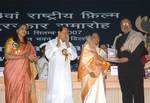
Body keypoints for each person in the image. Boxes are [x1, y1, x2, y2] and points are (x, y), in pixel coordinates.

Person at [112, 18, 145, 103]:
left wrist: (128, 59)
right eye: (123, 24)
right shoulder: (118, 39)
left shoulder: (138, 36)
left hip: (135, 70)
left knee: (138, 96)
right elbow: (115, 54)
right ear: (120, 27)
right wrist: (111, 57)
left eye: (127, 24)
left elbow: (139, 51)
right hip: (123, 72)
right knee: (126, 96)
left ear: (131, 25)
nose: (125, 26)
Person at [4, 23, 38, 103]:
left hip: (25, 73)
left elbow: (33, 58)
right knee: (13, 95)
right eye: (22, 28)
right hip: (12, 73)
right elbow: (7, 56)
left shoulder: (28, 44)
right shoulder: (11, 41)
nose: (24, 30)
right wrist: (25, 56)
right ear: (17, 30)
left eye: (25, 29)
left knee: (26, 94)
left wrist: (34, 59)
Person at [45, 25, 77, 103]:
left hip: (66, 76)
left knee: (66, 95)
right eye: (64, 33)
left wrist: (68, 46)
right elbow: (48, 55)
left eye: (67, 33)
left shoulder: (69, 44)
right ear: (58, 33)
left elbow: (74, 57)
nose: (66, 35)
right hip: (55, 77)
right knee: (55, 97)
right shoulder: (51, 43)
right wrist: (56, 47)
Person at [78, 32, 109, 103]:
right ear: (90, 38)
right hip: (89, 75)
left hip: (99, 75)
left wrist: (105, 64)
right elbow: (83, 61)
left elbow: (104, 62)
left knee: (99, 95)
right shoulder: (87, 47)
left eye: (98, 37)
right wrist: (90, 71)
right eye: (94, 37)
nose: (96, 39)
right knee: (90, 95)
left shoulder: (100, 50)